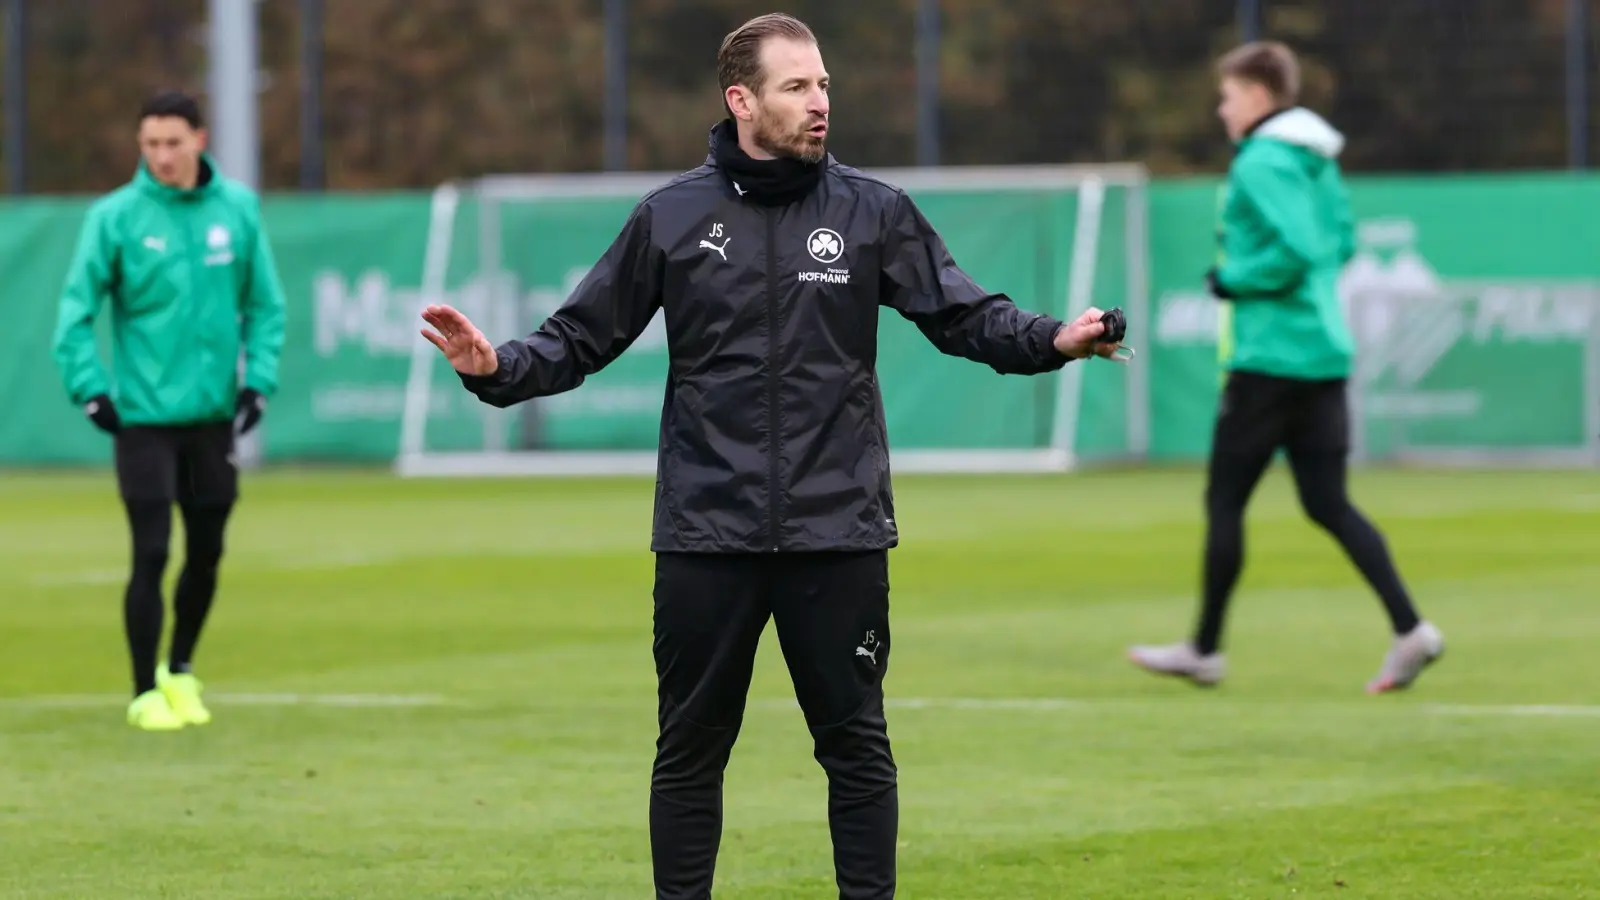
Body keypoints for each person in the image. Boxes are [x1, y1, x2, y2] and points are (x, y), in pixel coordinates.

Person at [418, 13, 1121, 899]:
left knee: (857, 750)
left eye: (824, 83)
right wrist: (497, 368)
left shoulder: (873, 212)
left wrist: (1053, 338)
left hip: (839, 530)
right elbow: (579, 337)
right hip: (707, 533)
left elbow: (964, 314)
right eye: (798, 86)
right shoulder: (671, 217)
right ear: (741, 99)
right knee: (689, 751)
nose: (820, 101)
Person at [1127, 41, 1443, 694]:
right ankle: (1411, 630)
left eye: (1230, 95)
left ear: (1260, 98)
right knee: (1328, 502)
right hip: (1323, 352)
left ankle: (1206, 649)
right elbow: (1341, 243)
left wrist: (1233, 278)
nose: (1222, 109)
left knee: (1224, 500)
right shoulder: (1317, 160)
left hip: (1270, 357)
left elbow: (1297, 249)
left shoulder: (1263, 159)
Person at [51, 90, 287, 732]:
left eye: (173, 143)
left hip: (212, 419)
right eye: (150, 144)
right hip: (143, 421)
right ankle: (141, 691)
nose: (161, 155)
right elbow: (74, 314)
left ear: (200, 141)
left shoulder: (237, 210)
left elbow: (266, 305)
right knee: (151, 551)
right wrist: (91, 389)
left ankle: (180, 671)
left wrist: (257, 382)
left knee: (206, 550)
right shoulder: (115, 217)